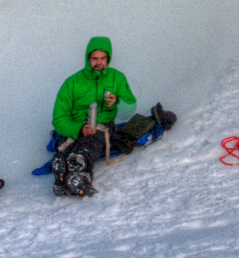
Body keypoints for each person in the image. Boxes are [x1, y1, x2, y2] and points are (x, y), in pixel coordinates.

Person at [48, 36, 174, 197]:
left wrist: (117, 103)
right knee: (75, 140)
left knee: (93, 140)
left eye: (102, 58)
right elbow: (59, 118)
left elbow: (128, 111)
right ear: (88, 59)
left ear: (108, 59)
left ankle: (70, 167)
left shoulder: (117, 78)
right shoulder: (72, 83)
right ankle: (75, 173)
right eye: (94, 58)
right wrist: (77, 129)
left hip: (102, 126)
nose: (98, 62)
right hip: (75, 126)